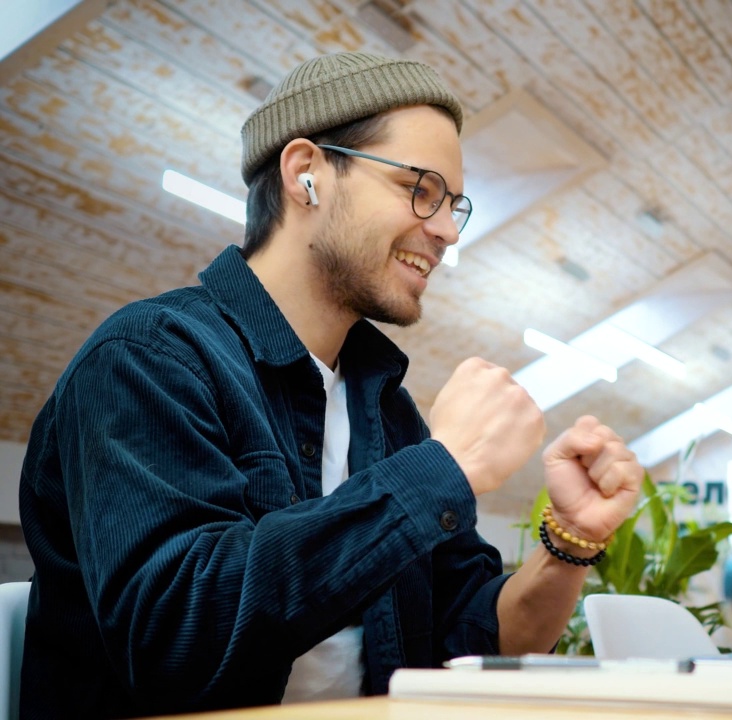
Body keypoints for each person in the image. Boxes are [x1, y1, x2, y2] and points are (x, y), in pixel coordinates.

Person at [18, 52, 643, 719]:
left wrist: (569, 544)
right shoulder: (148, 359)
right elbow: (175, 641)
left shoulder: (386, 408)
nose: (445, 232)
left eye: (454, 204)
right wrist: (443, 468)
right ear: (306, 172)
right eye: (420, 188)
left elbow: (470, 640)